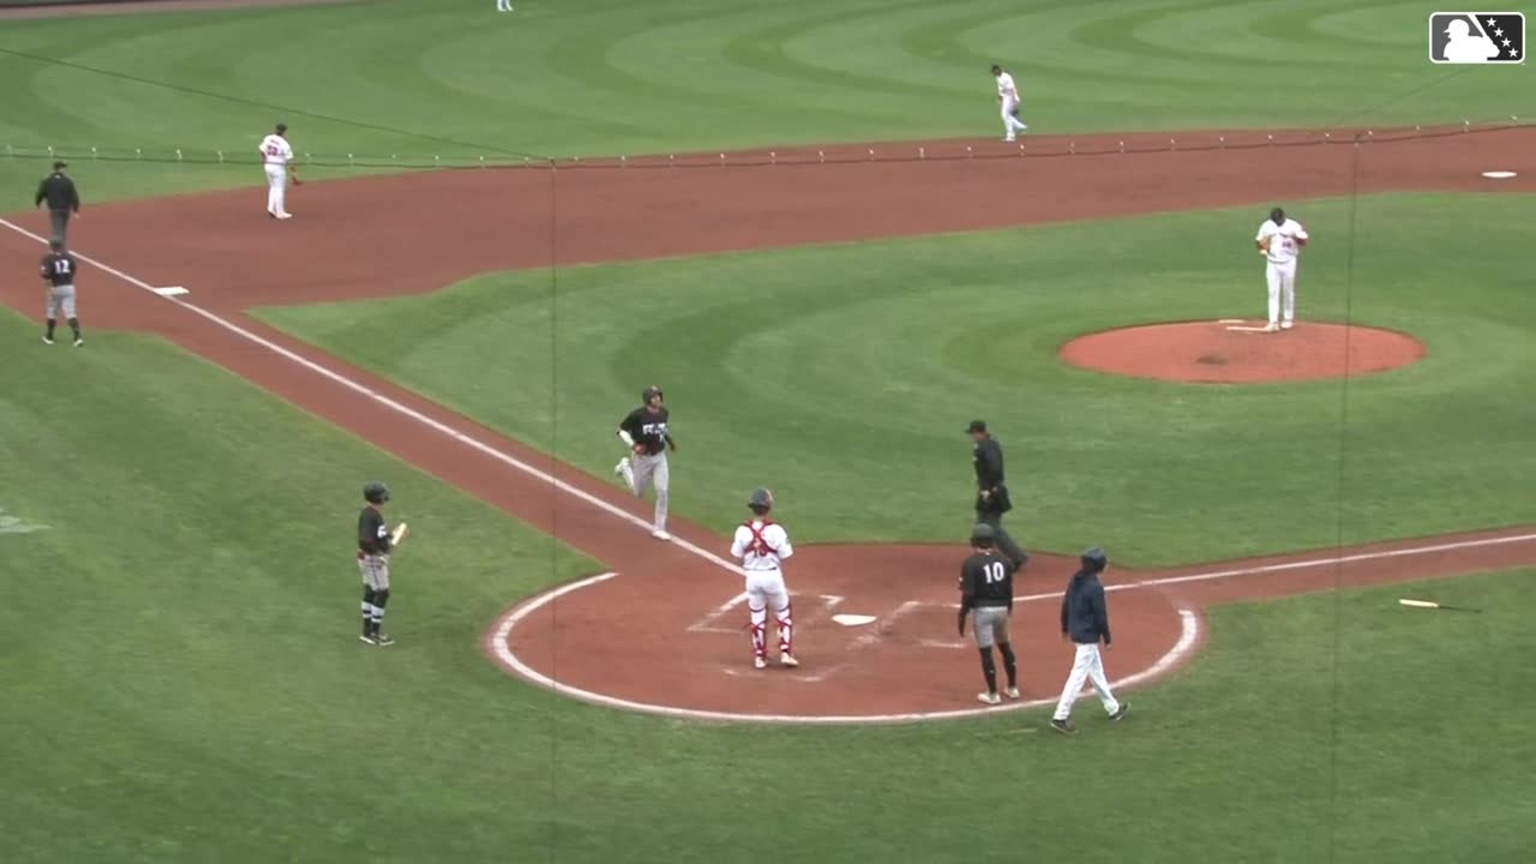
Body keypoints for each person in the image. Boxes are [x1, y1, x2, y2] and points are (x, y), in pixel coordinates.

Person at [1050, 547, 1129, 734]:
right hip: (1088, 636)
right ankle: (1060, 716)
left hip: (1077, 632)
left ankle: (1113, 708)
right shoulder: (1095, 587)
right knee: (1078, 676)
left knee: (1096, 672)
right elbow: (1100, 615)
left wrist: (1064, 626)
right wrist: (1107, 637)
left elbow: (1066, 603)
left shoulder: (1076, 579)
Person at [729, 487, 797, 669]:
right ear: (768, 507)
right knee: (783, 613)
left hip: (752, 577)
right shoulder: (776, 530)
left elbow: (736, 555)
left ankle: (760, 657)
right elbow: (786, 555)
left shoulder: (742, 530)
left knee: (757, 616)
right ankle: (785, 653)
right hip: (772, 576)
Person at [957, 523, 1021, 705]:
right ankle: (1012, 687)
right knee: (1005, 646)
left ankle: (993, 694)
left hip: (983, 611)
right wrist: (1009, 607)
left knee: (986, 652)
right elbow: (1009, 587)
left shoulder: (970, 563)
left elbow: (968, 593)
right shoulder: (1003, 560)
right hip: (1001, 608)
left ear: (974, 541)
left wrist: (962, 615)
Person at [614, 385, 676, 541]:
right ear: (648, 399)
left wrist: (670, 442)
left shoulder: (664, 413)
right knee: (638, 493)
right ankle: (625, 467)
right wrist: (633, 446)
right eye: (655, 397)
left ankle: (659, 528)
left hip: (660, 457)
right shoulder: (637, 416)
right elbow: (620, 430)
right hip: (642, 459)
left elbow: (662, 430)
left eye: (659, 396)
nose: (658, 399)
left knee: (662, 491)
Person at [966, 420, 1028, 570]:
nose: (972, 437)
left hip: (992, 493)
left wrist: (989, 489)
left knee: (992, 528)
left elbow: (995, 470)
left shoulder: (988, 447)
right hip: (986, 491)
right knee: (982, 525)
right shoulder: (986, 445)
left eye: (973, 433)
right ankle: (985, 557)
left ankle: (1017, 556)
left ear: (978, 432)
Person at [1254, 206, 1309, 332]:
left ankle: (1288, 318)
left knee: (1288, 290)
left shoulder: (1293, 226)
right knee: (1273, 292)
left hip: (1289, 262)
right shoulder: (1267, 226)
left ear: (1283, 217)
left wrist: (1294, 237)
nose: (1277, 223)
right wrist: (1262, 250)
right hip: (1272, 262)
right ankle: (1273, 321)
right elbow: (1258, 241)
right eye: (1275, 221)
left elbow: (1304, 241)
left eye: (1279, 220)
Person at [357, 481, 398, 646]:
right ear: (377, 498)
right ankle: (374, 633)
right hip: (372, 559)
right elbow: (365, 540)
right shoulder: (370, 515)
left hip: (367, 558)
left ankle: (367, 631)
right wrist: (379, 554)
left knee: (370, 590)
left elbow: (374, 534)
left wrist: (388, 536)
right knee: (382, 592)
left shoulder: (372, 513)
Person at [38, 239, 83, 347]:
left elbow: (45, 274)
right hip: (69, 286)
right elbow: (73, 270)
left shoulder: (47, 258)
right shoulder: (68, 257)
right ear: (61, 246)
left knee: (52, 311)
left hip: (55, 287)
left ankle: (49, 337)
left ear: (51, 246)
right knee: (70, 312)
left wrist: (49, 285)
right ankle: (77, 338)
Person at [34, 161, 81, 246]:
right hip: (65, 209)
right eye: (64, 168)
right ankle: (61, 248)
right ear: (60, 169)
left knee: (57, 229)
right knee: (62, 229)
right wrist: (75, 210)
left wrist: (38, 203)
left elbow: (40, 193)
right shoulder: (68, 181)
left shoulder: (47, 181)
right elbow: (74, 196)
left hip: (54, 209)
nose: (65, 169)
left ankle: (57, 250)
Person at [258, 123, 299, 220]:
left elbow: (262, 151)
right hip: (278, 168)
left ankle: (271, 208)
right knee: (279, 189)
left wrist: (264, 162)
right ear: (284, 132)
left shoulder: (268, 138)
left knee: (273, 187)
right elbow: (289, 160)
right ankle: (280, 212)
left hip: (268, 165)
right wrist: (294, 173)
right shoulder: (284, 144)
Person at [990, 64, 1029, 142]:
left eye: (994, 72)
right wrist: (1000, 98)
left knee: (1004, 114)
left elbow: (1012, 88)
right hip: (1006, 97)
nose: (993, 74)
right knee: (1006, 115)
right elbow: (1000, 89)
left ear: (997, 70)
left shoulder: (1006, 76)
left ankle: (1011, 135)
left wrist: (1015, 100)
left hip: (1011, 96)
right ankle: (1020, 127)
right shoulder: (998, 78)